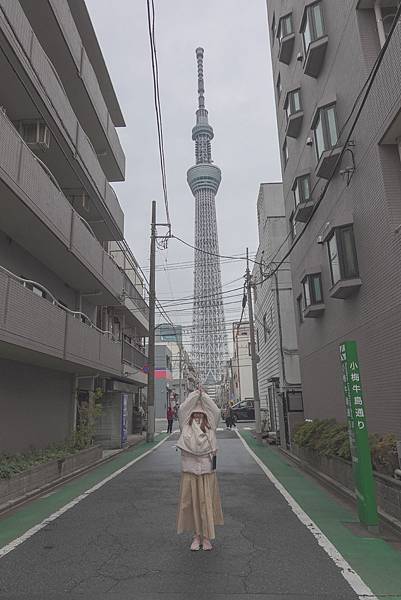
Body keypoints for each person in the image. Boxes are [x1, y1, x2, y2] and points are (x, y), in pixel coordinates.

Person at [176, 389, 224, 551]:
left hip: (207, 472)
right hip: (189, 472)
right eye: (195, 414)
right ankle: (196, 536)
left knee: (206, 504)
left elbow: (216, 411)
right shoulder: (185, 427)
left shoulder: (211, 428)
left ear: (205, 416)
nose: (197, 417)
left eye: (200, 414)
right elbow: (182, 409)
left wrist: (204, 396)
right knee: (193, 505)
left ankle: (207, 537)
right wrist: (195, 395)